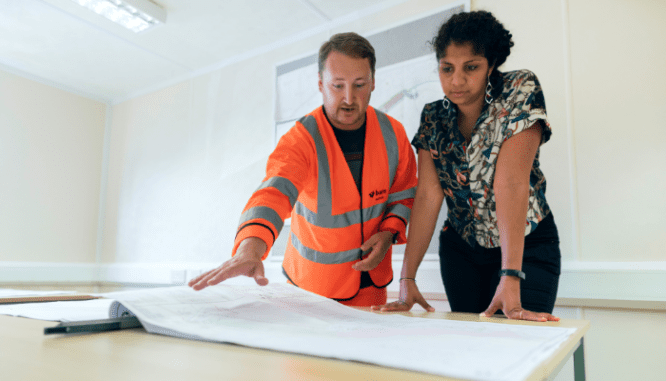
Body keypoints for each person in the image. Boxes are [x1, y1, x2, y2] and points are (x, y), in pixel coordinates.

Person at [188, 32, 418, 307]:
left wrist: (389, 232)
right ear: (321, 84)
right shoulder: (300, 139)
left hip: (372, 285)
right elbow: (273, 193)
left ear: (373, 83)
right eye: (337, 85)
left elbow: (403, 195)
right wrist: (250, 249)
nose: (348, 98)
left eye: (359, 85)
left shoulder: (394, 133)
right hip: (312, 290)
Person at [373, 11, 561, 321]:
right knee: (473, 354)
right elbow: (428, 196)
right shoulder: (433, 116)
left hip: (526, 247)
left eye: (470, 67)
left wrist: (511, 274)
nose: (456, 80)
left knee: (517, 348)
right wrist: (407, 279)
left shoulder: (519, 89)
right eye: (447, 68)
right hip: (462, 253)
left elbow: (510, 184)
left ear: (491, 65)